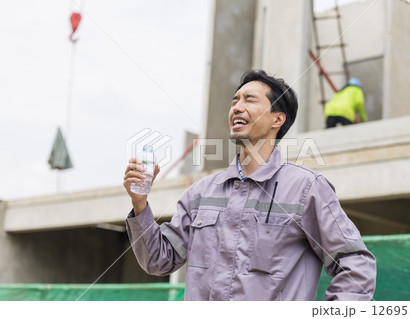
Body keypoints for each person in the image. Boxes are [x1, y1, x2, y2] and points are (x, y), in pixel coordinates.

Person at [123, 70, 376, 301]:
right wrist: (140, 205)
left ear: (278, 119)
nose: (237, 107)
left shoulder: (307, 189)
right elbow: (159, 261)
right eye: (235, 101)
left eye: (249, 100)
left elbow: (356, 264)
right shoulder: (201, 193)